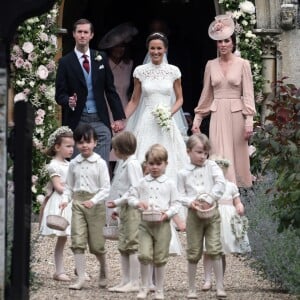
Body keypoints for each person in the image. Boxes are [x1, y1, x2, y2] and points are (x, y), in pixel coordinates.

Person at [191, 14, 256, 187]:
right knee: (218, 155)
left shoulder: (243, 64)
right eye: (219, 42)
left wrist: (249, 121)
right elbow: (206, 95)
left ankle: (237, 200)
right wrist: (197, 119)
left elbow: (248, 94)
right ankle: (221, 199)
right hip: (217, 114)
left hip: (236, 116)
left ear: (233, 42)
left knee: (237, 158)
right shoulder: (210, 65)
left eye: (226, 41)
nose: (223, 45)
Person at [55, 18, 126, 164]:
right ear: (74, 34)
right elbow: (59, 95)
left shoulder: (101, 57)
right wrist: (68, 101)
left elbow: (110, 89)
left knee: (101, 161)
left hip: (99, 118)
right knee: (77, 165)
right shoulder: (65, 62)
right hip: (77, 119)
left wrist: (118, 117)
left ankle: (101, 186)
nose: (82, 35)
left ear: (91, 35)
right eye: (79, 32)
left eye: (85, 32)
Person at [125, 144, 181, 300]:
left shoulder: (169, 183)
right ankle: (144, 287)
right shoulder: (142, 182)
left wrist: (168, 213)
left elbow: (176, 203)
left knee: (160, 256)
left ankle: (159, 289)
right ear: (146, 164)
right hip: (145, 224)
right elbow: (131, 197)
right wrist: (138, 204)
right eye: (151, 164)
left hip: (163, 224)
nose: (155, 167)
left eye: (158, 164)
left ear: (165, 164)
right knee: (144, 254)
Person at [60, 123, 110, 290]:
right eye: (80, 142)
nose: (84, 145)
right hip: (78, 204)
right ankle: (81, 277)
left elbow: (105, 188)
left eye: (88, 141)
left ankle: (103, 269)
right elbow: (69, 186)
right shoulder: (74, 163)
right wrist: (65, 198)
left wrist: (94, 200)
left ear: (95, 142)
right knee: (77, 240)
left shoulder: (100, 163)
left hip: (95, 206)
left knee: (96, 244)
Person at [177, 133, 226, 299]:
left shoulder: (212, 166)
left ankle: (220, 286)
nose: (203, 156)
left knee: (214, 248)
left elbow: (220, 183)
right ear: (188, 151)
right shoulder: (183, 173)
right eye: (199, 152)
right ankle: (191, 288)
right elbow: (179, 194)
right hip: (194, 215)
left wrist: (210, 198)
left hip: (212, 213)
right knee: (193, 251)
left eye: (205, 153)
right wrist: (191, 202)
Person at [201, 155, 251, 292]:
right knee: (208, 250)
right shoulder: (208, 187)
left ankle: (219, 280)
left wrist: (240, 206)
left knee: (221, 252)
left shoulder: (231, 186)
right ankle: (207, 279)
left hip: (227, 220)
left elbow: (237, 201)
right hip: (212, 217)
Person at [105, 131, 143, 293]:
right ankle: (125, 279)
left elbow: (135, 188)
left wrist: (119, 203)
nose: (113, 151)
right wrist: (118, 209)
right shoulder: (126, 163)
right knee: (123, 245)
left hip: (132, 208)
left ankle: (134, 281)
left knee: (132, 244)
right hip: (124, 208)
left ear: (121, 149)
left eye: (115, 148)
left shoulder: (133, 165)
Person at [98, 22, 138, 174]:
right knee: (106, 147)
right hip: (105, 108)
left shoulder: (129, 65)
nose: (119, 49)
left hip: (124, 109)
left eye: (122, 46)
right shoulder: (102, 64)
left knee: (123, 147)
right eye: (116, 46)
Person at [39, 126, 74, 282]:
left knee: (76, 237)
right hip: (61, 203)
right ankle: (59, 270)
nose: (71, 149)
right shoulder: (53, 165)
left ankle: (79, 268)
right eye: (68, 146)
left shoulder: (70, 164)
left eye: (72, 146)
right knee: (62, 237)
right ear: (57, 147)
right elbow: (59, 187)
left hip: (71, 201)